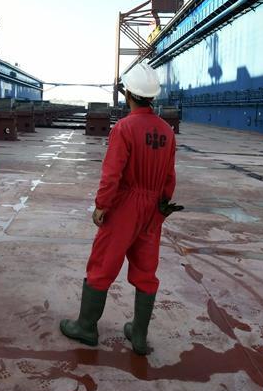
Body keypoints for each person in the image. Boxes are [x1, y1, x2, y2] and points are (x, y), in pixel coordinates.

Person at [60, 62, 176, 355]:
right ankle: (138, 335)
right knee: (146, 270)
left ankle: (86, 327)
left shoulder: (124, 128)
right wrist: (159, 209)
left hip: (125, 205)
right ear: (152, 96)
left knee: (103, 264)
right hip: (154, 208)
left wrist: (102, 206)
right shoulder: (166, 131)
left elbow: (112, 174)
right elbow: (169, 178)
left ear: (128, 94)